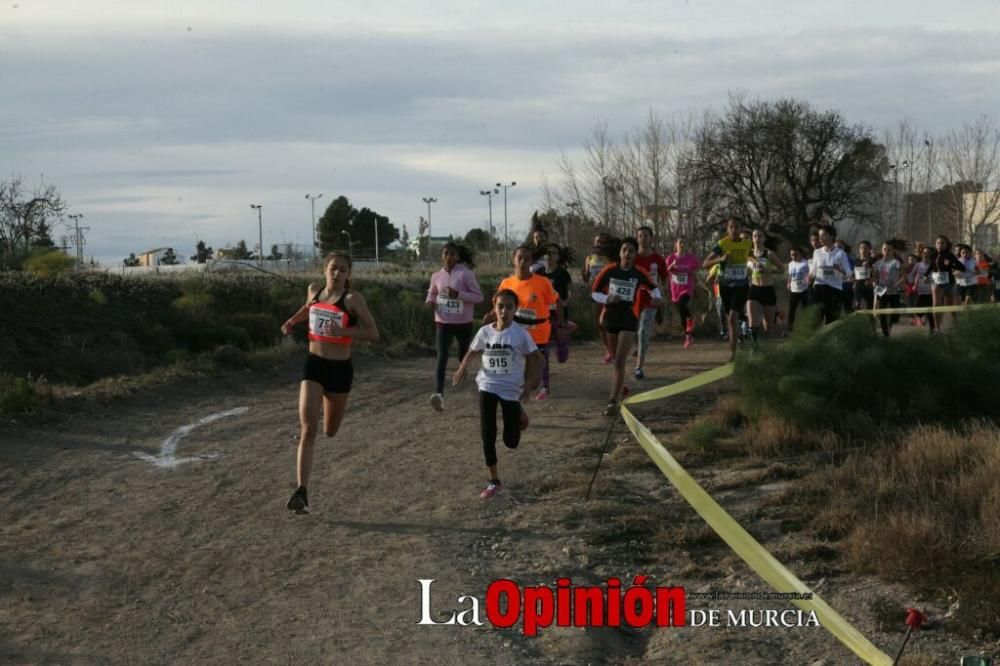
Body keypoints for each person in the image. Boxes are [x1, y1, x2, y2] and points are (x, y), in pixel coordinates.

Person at [280, 252, 380, 514]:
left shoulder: (352, 299)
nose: (337, 273)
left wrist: (345, 331)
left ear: (348, 274)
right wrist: (292, 320)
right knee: (307, 429)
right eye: (333, 268)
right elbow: (308, 309)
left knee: (330, 431)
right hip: (314, 364)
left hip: (339, 370)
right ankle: (302, 491)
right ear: (324, 269)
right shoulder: (314, 290)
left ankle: (329, 418)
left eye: (343, 270)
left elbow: (373, 333)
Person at [453, 289, 542, 500]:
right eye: (500, 306)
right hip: (487, 385)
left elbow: (536, 358)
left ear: (515, 309)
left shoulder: (520, 334)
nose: (504, 311)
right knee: (487, 433)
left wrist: (529, 383)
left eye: (509, 307)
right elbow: (473, 350)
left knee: (511, 441)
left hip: (511, 390)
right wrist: (463, 366)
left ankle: (519, 413)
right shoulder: (485, 332)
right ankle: (494, 481)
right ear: (494, 306)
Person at [592, 237, 662, 415]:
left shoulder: (639, 272)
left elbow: (654, 288)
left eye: (632, 251)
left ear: (634, 255)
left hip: (629, 318)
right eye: (625, 250)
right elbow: (594, 293)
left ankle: (612, 401)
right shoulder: (610, 271)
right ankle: (620, 387)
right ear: (620, 253)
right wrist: (608, 298)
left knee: (620, 361)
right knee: (616, 361)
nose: (628, 254)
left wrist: (657, 298)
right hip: (611, 317)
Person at [425, 242, 484, 412]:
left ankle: (463, 368)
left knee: (462, 354)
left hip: (463, 322)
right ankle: (438, 395)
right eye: (445, 253)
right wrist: (429, 302)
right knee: (441, 356)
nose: (448, 257)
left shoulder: (466, 274)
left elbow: (478, 297)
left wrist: (458, 294)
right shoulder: (436, 275)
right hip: (442, 321)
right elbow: (432, 292)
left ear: (458, 256)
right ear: (442, 256)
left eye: (452, 254)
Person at [497, 246, 559, 400]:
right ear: (513, 259)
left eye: (527, 259)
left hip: (538, 332)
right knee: (513, 365)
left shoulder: (543, 282)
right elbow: (497, 306)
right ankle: (514, 396)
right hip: (514, 331)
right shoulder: (506, 283)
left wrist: (560, 325)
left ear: (532, 262)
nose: (523, 262)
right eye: (520, 258)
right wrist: (492, 317)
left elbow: (554, 305)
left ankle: (536, 387)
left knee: (535, 375)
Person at [703, 217, 753, 361]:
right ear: (727, 229)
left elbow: (752, 257)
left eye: (737, 227)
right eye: (731, 227)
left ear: (741, 229)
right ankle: (736, 346)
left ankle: (733, 354)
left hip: (742, 285)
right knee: (731, 320)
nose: (734, 230)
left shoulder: (747, 243)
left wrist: (755, 265)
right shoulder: (722, 244)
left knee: (732, 316)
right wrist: (721, 259)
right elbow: (705, 263)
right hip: (725, 286)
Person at [633, 226, 668, 377]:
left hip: (651, 299)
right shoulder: (632, 257)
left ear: (651, 238)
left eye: (646, 236)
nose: (643, 238)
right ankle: (640, 346)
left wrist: (662, 292)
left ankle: (639, 367)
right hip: (633, 298)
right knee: (633, 330)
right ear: (637, 238)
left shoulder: (658, 259)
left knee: (643, 330)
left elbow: (665, 277)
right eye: (640, 236)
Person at [536, 243, 575, 369]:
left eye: (553, 253)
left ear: (558, 257)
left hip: (559, 313)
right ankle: (545, 385)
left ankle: (564, 333)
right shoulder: (538, 273)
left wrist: (566, 301)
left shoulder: (562, 273)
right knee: (543, 350)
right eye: (547, 253)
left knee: (562, 357)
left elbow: (571, 290)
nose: (549, 256)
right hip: (543, 314)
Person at [745, 227, 784, 345]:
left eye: (759, 236)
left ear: (764, 239)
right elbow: (746, 270)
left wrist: (768, 270)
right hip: (754, 289)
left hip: (767, 289)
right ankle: (754, 347)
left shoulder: (769, 253)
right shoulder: (748, 254)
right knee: (752, 321)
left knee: (768, 326)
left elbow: (781, 269)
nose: (757, 238)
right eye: (754, 236)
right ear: (752, 239)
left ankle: (769, 348)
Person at [808, 224, 852, 325]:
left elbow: (849, 273)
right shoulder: (817, 252)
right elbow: (813, 271)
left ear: (831, 236)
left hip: (834, 290)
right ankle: (817, 340)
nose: (821, 238)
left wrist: (840, 269)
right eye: (820, 236)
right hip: (819, 289)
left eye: (823, 235)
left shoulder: (841, 253)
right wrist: (810, 276)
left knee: (832, 322)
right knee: (816, 320)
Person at [583, 233, 616, 363]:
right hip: (595, 294)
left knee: (609, 323)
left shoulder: (611, 258)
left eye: (602, 242)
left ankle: (615, 348)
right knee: (600, 325)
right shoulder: (589, 258)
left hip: (609, 294)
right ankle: (609, 349)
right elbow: (586, 277)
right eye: (597, 242)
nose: (599, 245)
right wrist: (585, 275)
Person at [665, 237, 700, 351]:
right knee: (681, 314)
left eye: (684, 242)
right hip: (675, 289)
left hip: (687, 288)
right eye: (680, 242)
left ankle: (690, 319)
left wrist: (690, 270)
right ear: (676, 245)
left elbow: (697, 267)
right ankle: (689, 336)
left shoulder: (691, 258)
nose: (682, 244)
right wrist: (673, 265)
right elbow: (666, 271)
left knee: (682, 304)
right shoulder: (671, 258)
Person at [926, 235, 962, 332]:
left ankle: (957, 324)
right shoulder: (933, 255)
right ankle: (937, 329)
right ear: (935, 244)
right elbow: (931, 266)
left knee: (951, 306)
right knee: (936, 305)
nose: (940, 245)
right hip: (937, 283)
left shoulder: (950, 255)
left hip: (949, 284)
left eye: (943, 243)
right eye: (938, 243)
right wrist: (925, 275)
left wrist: (950, 265)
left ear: (946, 245)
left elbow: (962, 267)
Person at [873, 241, 906, 337]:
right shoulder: (878, 263)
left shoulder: (896, 262)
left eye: (889, 249)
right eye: (885, 249)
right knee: (882, 313)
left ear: (893, 251)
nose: (886, 251)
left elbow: (904, 276)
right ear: (882, 250)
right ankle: (885, 334)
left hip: (894, 291)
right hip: (882, 291)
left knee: (895, 316)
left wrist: (895, 285)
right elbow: (875, 277)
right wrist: (875, 283)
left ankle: (891, 323)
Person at [909, 247, 935, 333]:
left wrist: (930, 280)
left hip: (931, 291)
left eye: (928, 253)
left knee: (930, 312)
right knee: (918, 312)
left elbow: (937, 278)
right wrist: (913, 283)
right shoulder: (918, 265)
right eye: (924, 252)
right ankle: (924, 317)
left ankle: (932, 331)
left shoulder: (934, 265)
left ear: (931, 255)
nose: (925, 254)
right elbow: (911, 275)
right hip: (921, 292)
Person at [786, 246, 810, 333]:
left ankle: (806, 329)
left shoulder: (806, 263)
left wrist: (808, 279)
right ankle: (790, 329)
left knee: (805, 310)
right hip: (794, 290)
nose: (793, 257)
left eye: (795, 255)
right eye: (792, 255)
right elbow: (790, 275)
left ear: (800, 254)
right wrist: (788, 282)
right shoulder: (790, 264)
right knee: (791, 310)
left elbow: (809, 273)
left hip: (804, 290)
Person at [852, 240, 877, 312]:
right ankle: (857, 305)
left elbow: (876, 275)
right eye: (861, 248)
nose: (863, 250)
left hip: (869, 287)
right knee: (857, 305)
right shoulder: (856, 261)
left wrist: (870, 280)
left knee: (869, 308)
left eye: (866, 248)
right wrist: (852, 279)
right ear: (859, 250)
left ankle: (870, 321)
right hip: (858, 287)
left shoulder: (872, 261)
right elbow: (853, 275)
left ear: (869, 250)